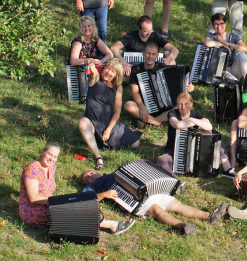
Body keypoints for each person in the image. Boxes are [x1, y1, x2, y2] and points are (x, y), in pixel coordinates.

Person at [19, 143, 134, 234]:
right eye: (49, 154)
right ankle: (111, 225)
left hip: (48, 205)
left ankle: (106, 224)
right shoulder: (32, 169)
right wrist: (57, 201)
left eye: (55, 157)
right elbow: (33, 198)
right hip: (33, 211)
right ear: (43, 152)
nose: (51, 159)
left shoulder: (51, 167)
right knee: (73, 210)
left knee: (75, 206)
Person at [81, 169, 227, 235]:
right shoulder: (95, 184)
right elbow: (86, 198)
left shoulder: (113, 173)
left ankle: (208, 216)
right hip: (133, 200)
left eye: (89, 172)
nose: (89, 175)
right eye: (86, 177)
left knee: (177, 205)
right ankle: (182, 226)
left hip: (148, 191)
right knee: (157, 210)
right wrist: (104, 194)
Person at [78, 59, 141, 170]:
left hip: (107, 123)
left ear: (116, 74)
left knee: (136, 143)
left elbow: (117, 111)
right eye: (108, 68)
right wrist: (89, 61)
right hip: (92, 120)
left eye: (112, 71)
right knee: (82, 122)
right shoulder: (96, 78)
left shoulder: (118, 87)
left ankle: (102, 141)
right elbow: (92, 68)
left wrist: (108, 129)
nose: (108, 72)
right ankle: (98, 156)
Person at [156, 92, 236, 178]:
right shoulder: (172, 113)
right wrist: (195, 122)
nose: (183, 107)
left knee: (215, 135)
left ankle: (227, 168)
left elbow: (209, 126)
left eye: (186, 104)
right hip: (173, 151)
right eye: (180, 104)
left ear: (191, 104)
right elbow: (178, 125)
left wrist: (191, 119)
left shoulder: (195, 114)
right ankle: (173, 179)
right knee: (161, 160)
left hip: (192, 154)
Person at [124, 42, 194, 127]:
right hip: (144, 106)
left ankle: (148, 121)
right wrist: (142, 107)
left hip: (164, 108)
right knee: (128, 105)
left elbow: (178, 87)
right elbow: (134, 92)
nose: (150, 56)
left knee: (180, 108)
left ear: (157, 56)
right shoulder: (136, 69)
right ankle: (159, 123)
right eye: (148, 53)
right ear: (143, 53)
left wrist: (189, 87)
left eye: (153, 54)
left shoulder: (163, 67)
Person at [110, 15, 179, 77]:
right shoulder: (131, 36)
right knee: (116, 53)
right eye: (145, 31)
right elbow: (114, 47)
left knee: (168, 54)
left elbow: (174, 49)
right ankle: (118, 80)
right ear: (138, 28)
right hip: (132, 66)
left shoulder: (155, 35)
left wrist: (169, 59)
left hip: (152, 64)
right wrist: (123, 62)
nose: (149, 33)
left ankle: (170, 79)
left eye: (150, 31)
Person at [203, 13, 247, 80]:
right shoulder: (211, 37)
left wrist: (229, 44)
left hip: (234, 68)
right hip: (220, 71)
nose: (219, 26)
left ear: (225, 24)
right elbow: (206, 43)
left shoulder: (232, 36)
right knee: (231, 81)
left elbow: (245, 49)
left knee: (242, 55)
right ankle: (237, 85)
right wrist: (222, 44)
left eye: (221, 23)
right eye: (216, 24)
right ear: (213, 26)